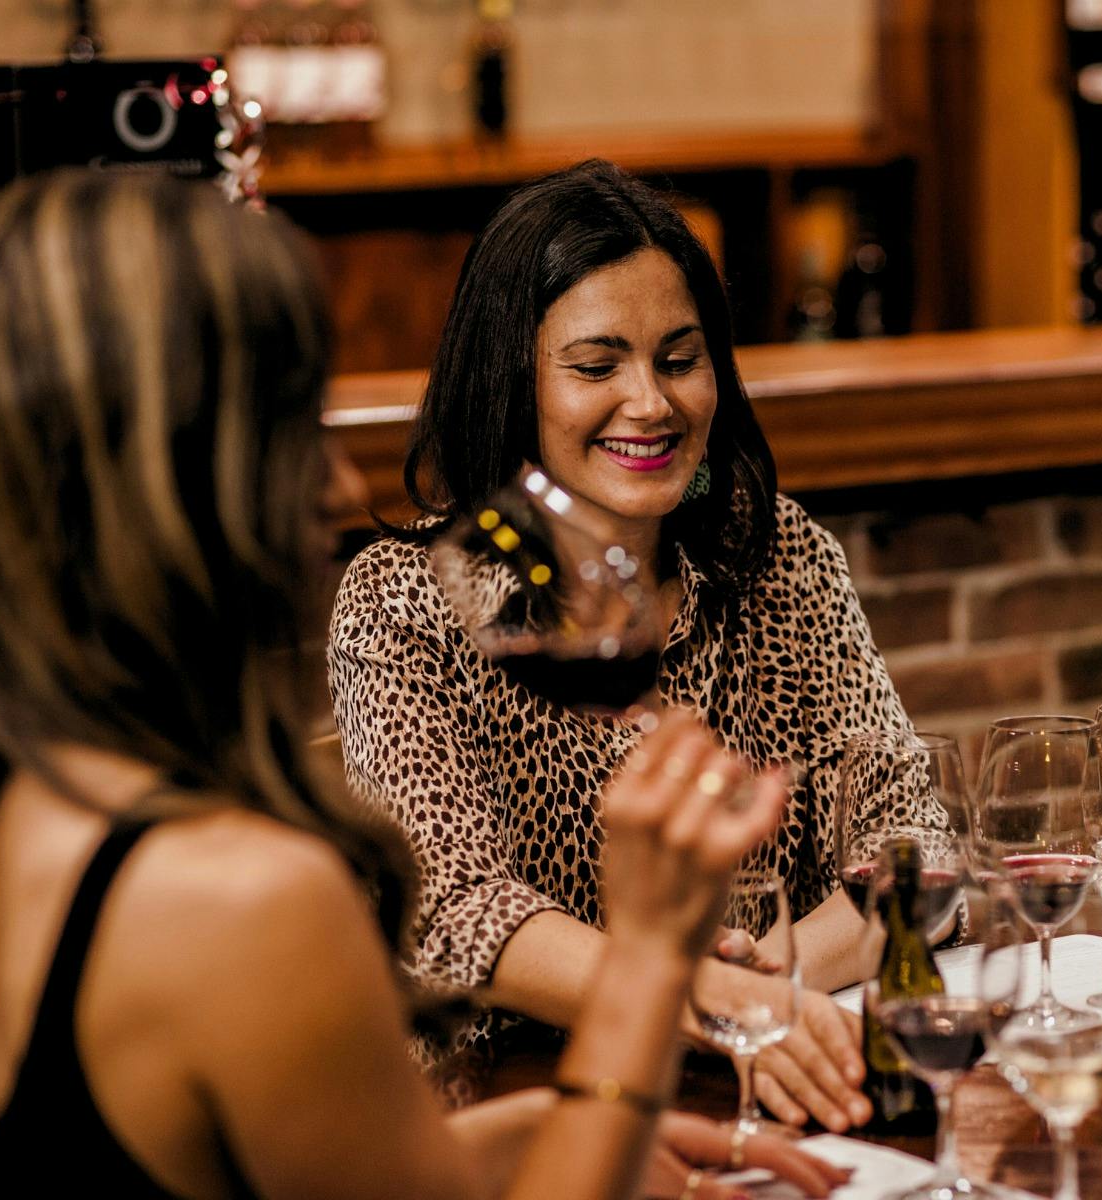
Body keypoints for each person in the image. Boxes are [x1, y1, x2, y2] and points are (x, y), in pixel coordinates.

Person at [0, 169, 849, 1200]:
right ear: (171, 490)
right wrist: (650, 965)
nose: (340, 485)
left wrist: (547, 1127)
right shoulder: (246, 902)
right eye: (295, 432)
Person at [329, 159, 947, 1132]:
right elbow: (451, 917)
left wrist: (776, 982)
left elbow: (913, 850)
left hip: (754, 1097)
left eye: (678, 357)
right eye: (595, 365)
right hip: (508, 1130)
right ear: (512, 377)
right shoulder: (414, 599)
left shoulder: (777, 558)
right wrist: (718, 1000)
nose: (650, 403)